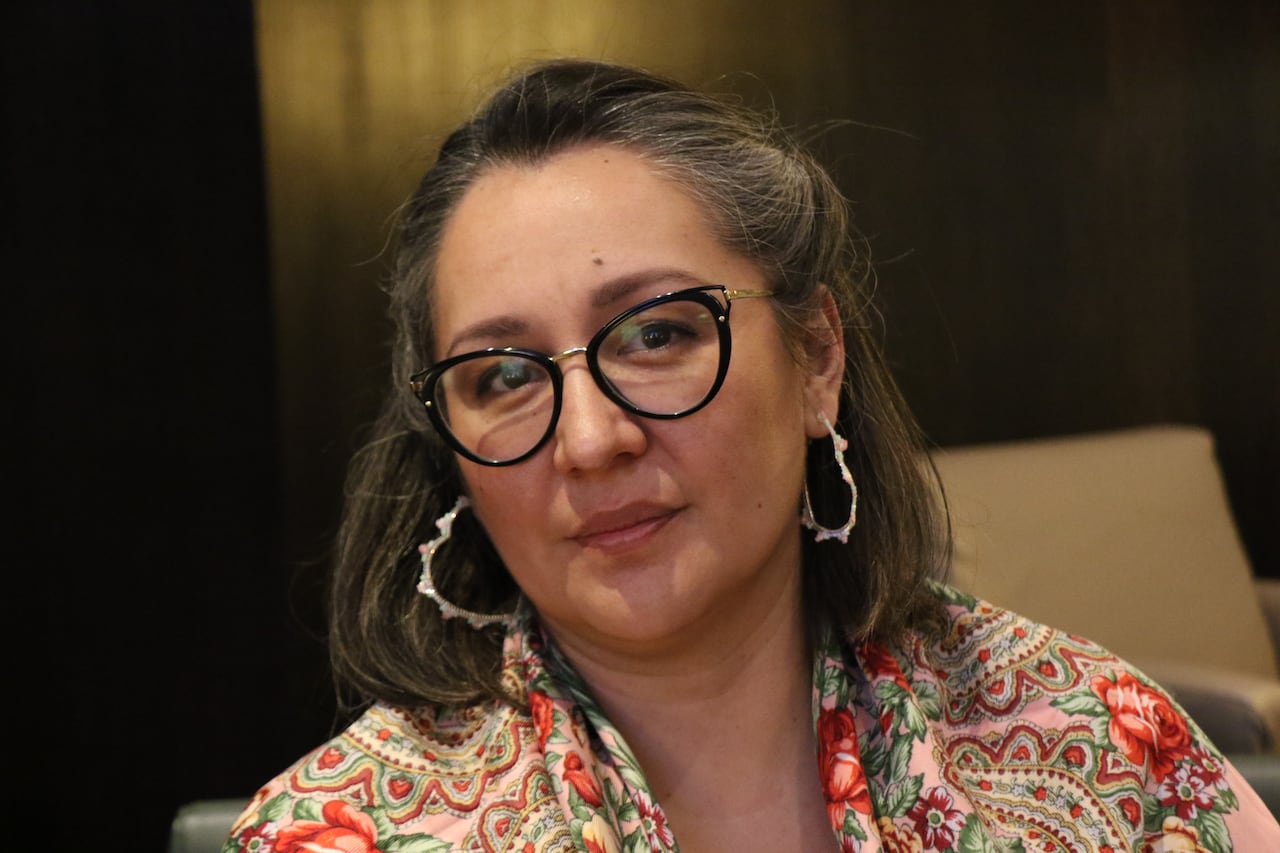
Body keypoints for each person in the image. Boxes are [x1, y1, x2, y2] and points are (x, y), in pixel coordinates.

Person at [225, 59, 1279, 852]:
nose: (590, 439)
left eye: (655, 334)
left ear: (815, 356)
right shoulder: (336, 830)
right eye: (501, 377)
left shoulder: (1089, 740)